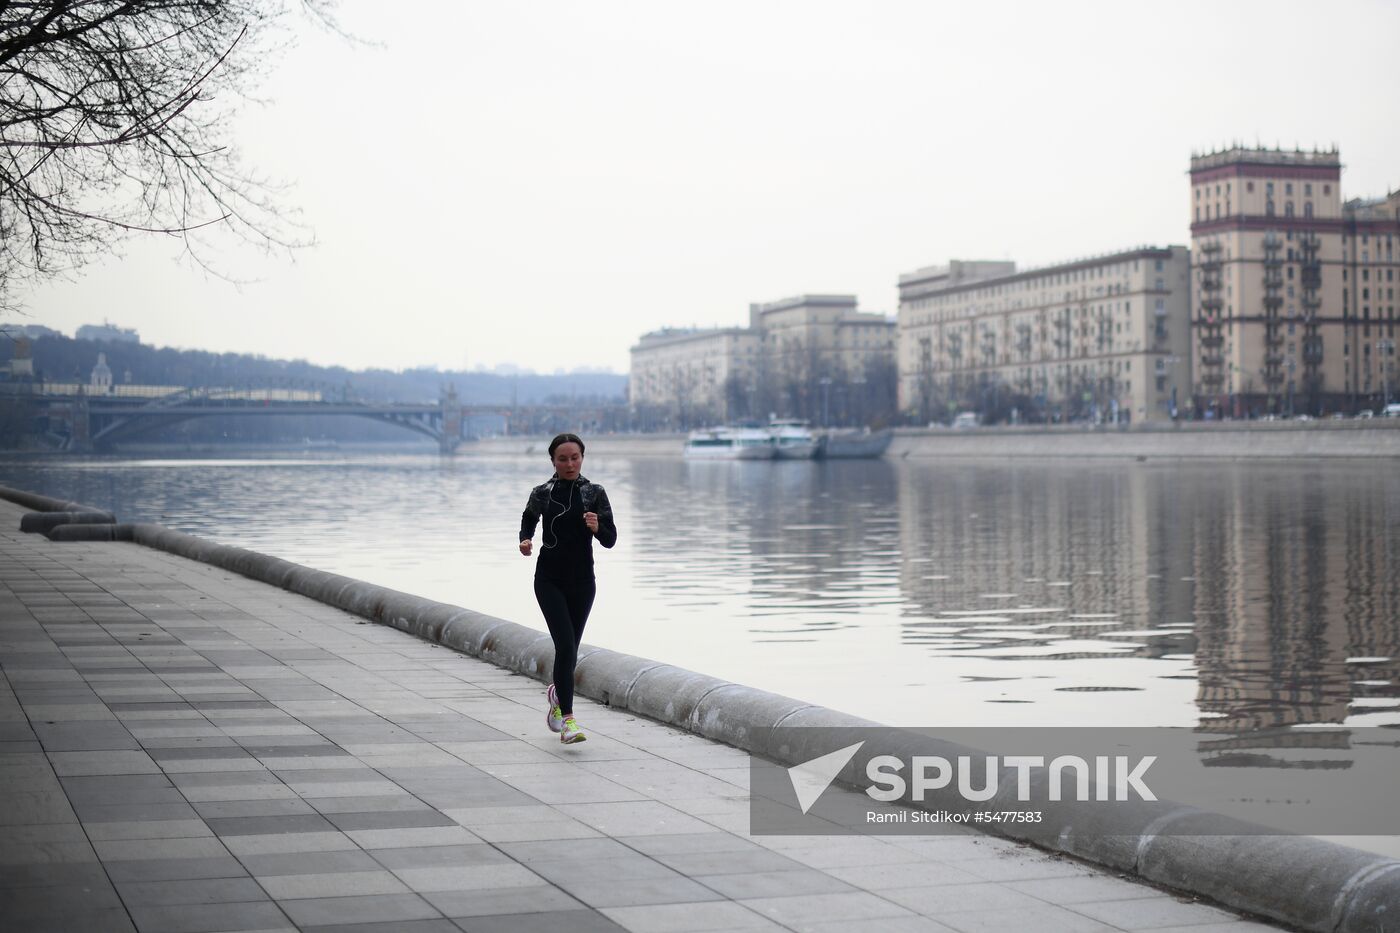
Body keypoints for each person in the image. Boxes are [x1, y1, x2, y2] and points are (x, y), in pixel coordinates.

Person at [519, 433, 617, 744]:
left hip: (583, 583)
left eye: (575, 457)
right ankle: (569, 722)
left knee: (571, 650)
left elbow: (611, 539)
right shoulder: (543, 493)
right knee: (565, 646)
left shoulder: (594, 493)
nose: (570, 463)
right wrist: (525, 539)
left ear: (582, 458)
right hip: (549, 580)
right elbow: (528, 518)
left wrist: (596, 527)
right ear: (553, 461)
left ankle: (556, 695)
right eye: (563, 459)